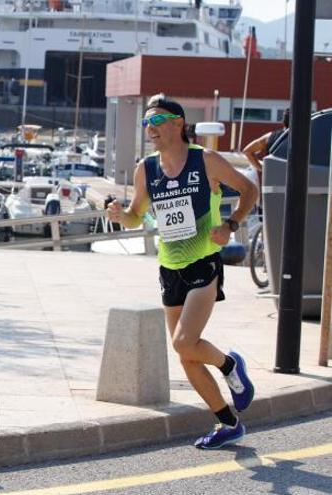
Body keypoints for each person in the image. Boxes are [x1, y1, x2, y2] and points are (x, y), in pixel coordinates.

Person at [106, 94, 259, 450]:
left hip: (203, 262)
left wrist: (231, 223)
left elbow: (249, 189)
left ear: (179, 124)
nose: (150, 128)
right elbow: (135, 214)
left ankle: (230, 365)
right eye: (147, 122)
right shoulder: (147, 168)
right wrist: (119, 215)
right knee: (186, 354)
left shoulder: (205, 160)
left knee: (183, 342)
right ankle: (227, 422)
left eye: (158, 121)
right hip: (169, 266)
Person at [243, 108, 289, 174]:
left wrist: (262, 169)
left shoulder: (270, 136)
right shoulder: (305, 138)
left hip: (272, 179)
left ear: (283, 122)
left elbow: (247, 151)